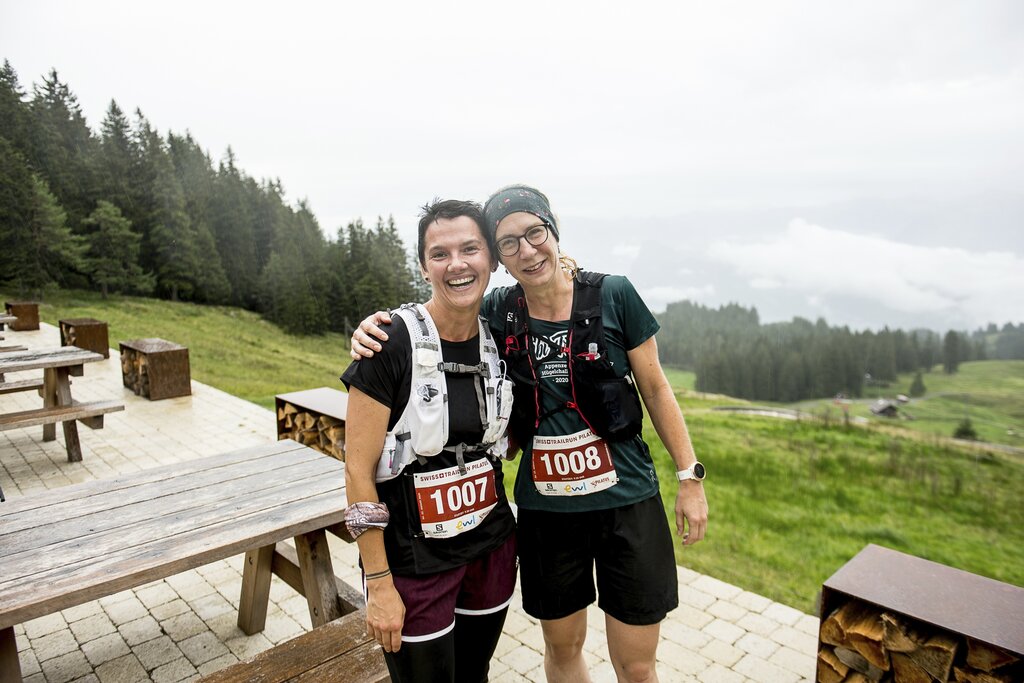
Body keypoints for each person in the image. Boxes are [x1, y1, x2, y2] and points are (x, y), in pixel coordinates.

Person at [352, 185, 709, 683]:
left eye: (534, 233)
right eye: (509, 243)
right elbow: (442, 313)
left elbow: (655, 386)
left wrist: (689, 477)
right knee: (563, 651)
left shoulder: (614, 294)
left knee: (638, 663)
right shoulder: (499, 309)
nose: (527, 250)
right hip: (547, 514)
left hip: (628, 503)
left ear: (552, 229)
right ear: (499, 258)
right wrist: (375, 327)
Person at [341, 198, 517, 683]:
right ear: (423, 266)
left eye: (470, 249)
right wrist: (378, 583)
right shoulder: (388, 342)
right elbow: (357, 471)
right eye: (439, 254)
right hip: (412, 566)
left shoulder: (500, 337)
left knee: (474, 674)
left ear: (491, 259)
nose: (456, 264)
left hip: (491, 550)